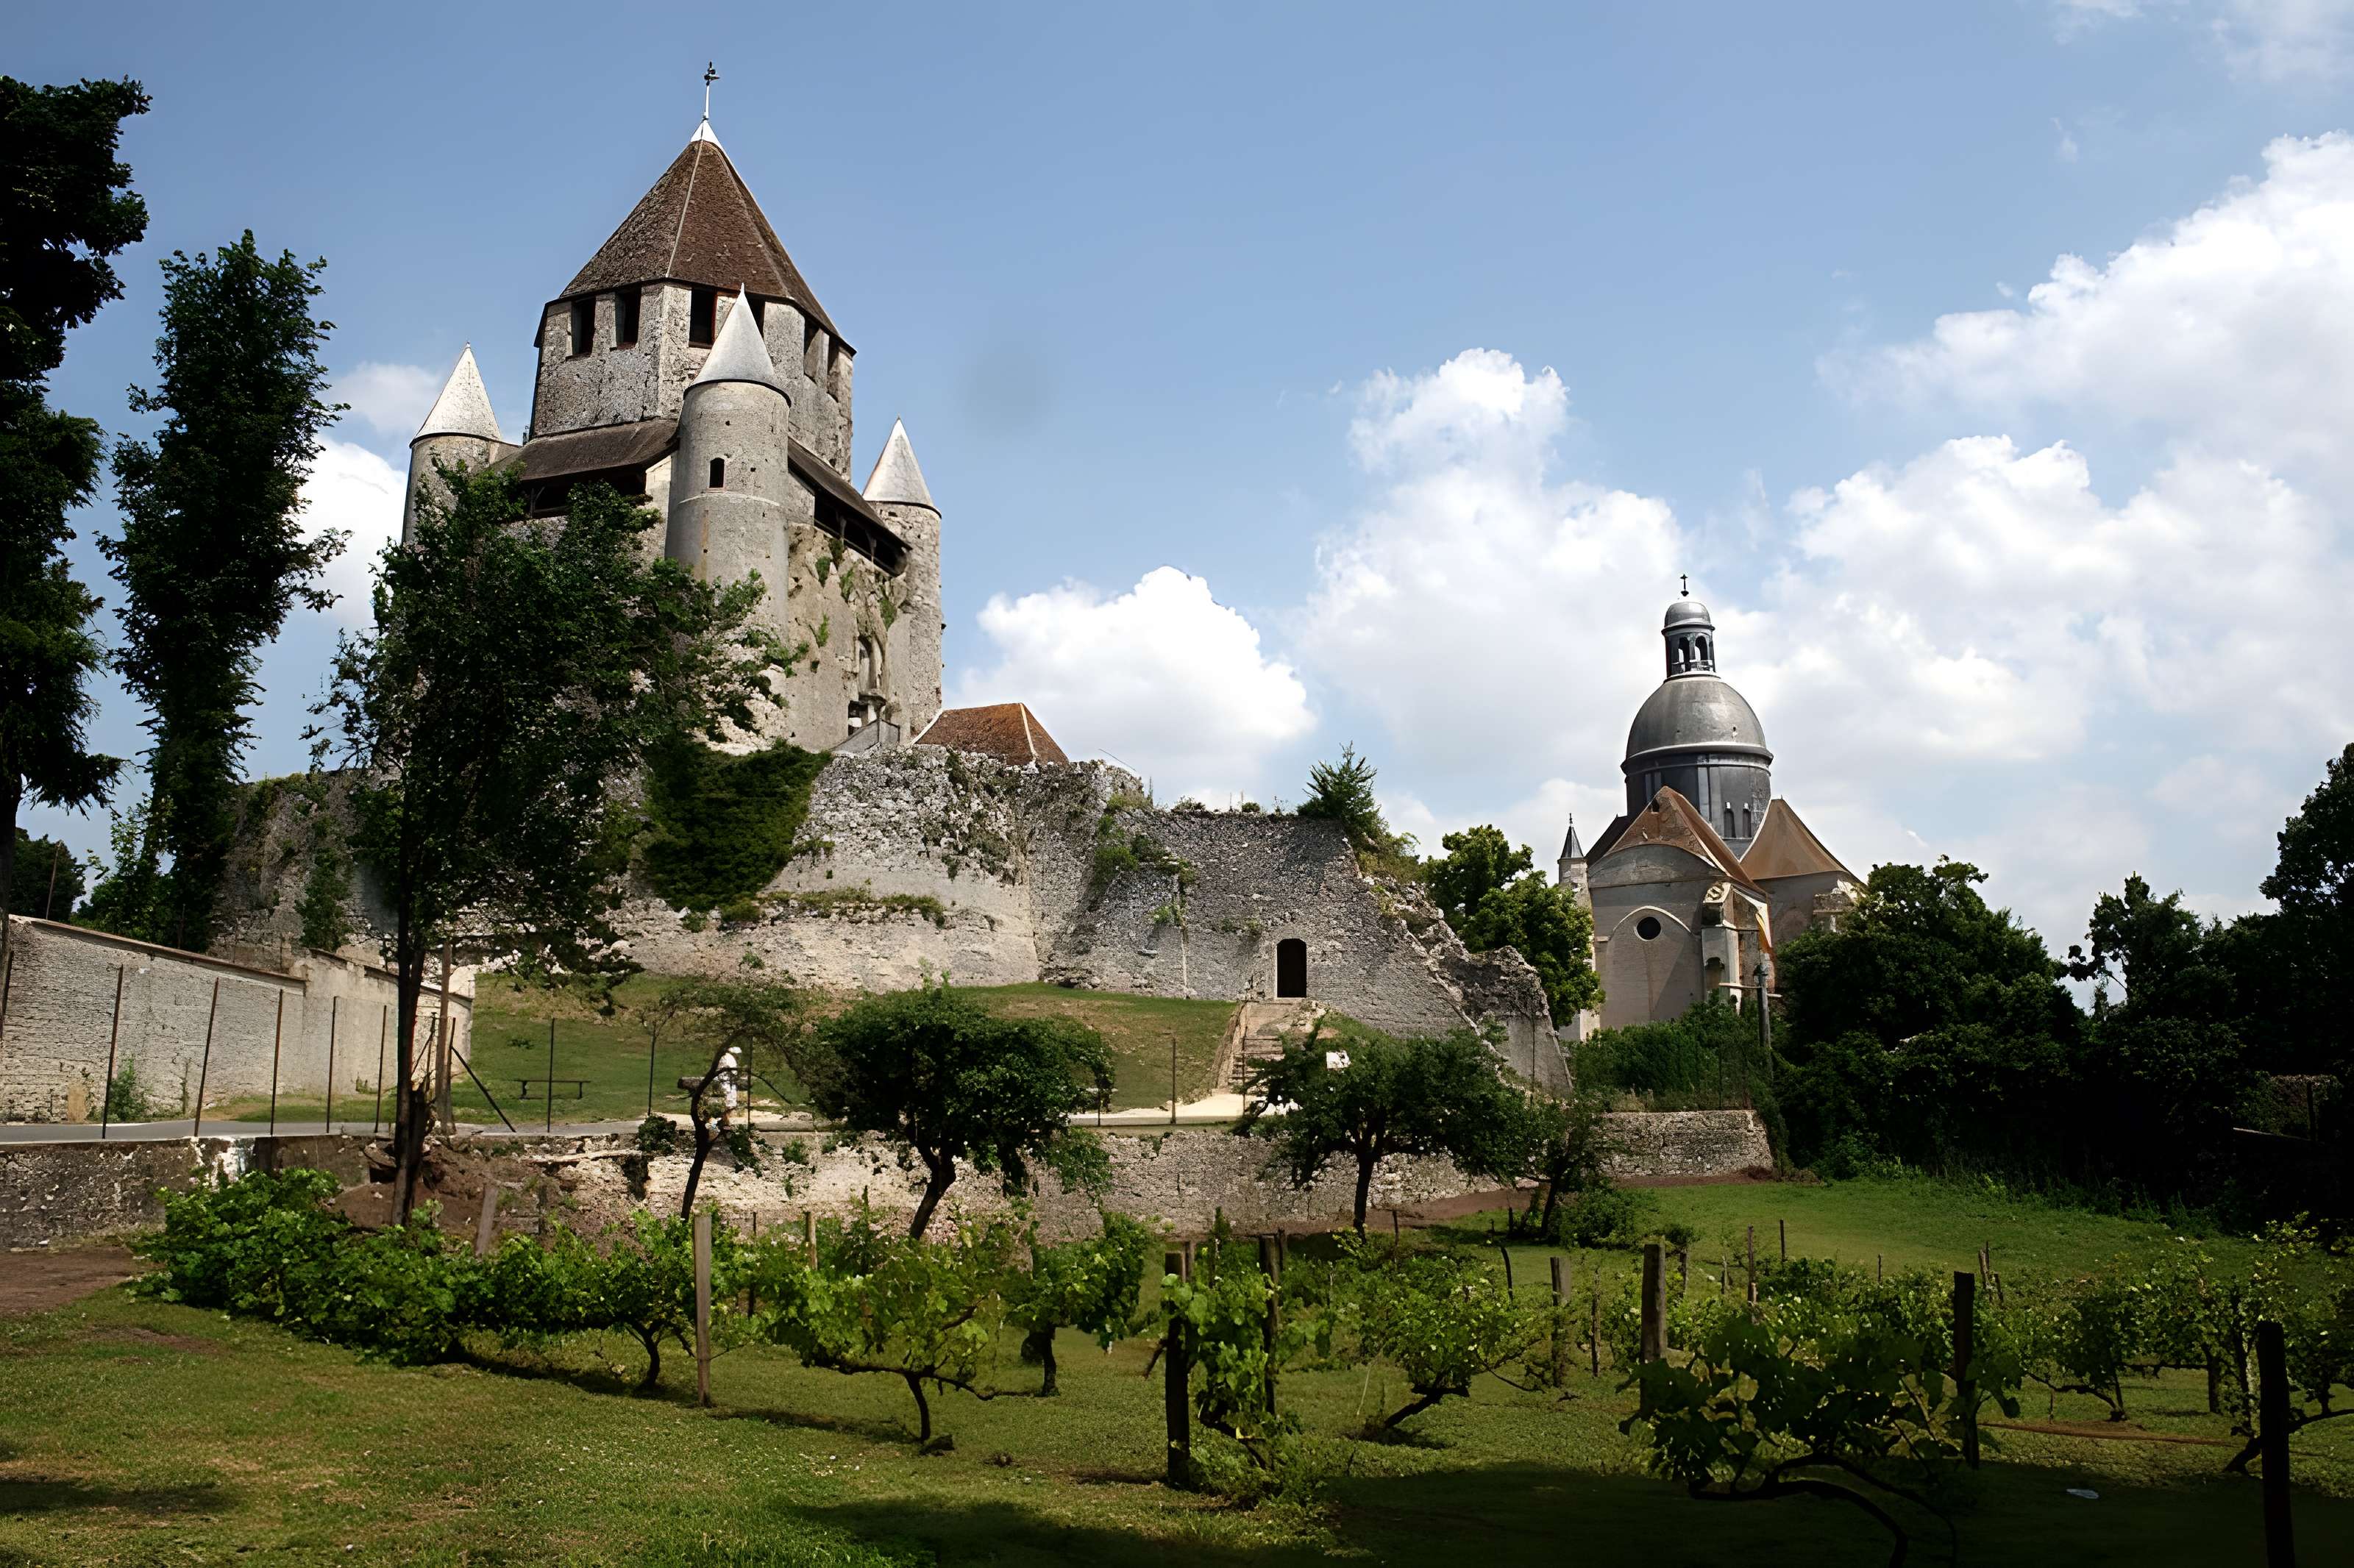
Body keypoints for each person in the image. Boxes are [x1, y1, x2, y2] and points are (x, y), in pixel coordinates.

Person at [716, 1046, 741, 1131]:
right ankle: (726, 1122)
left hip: (726, 1082)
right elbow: (733, 1071)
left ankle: (725, 1121)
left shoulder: (724, 1057)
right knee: (728, 1103)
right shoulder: (729, 1058)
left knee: (729, 1103)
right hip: (727, 1083)